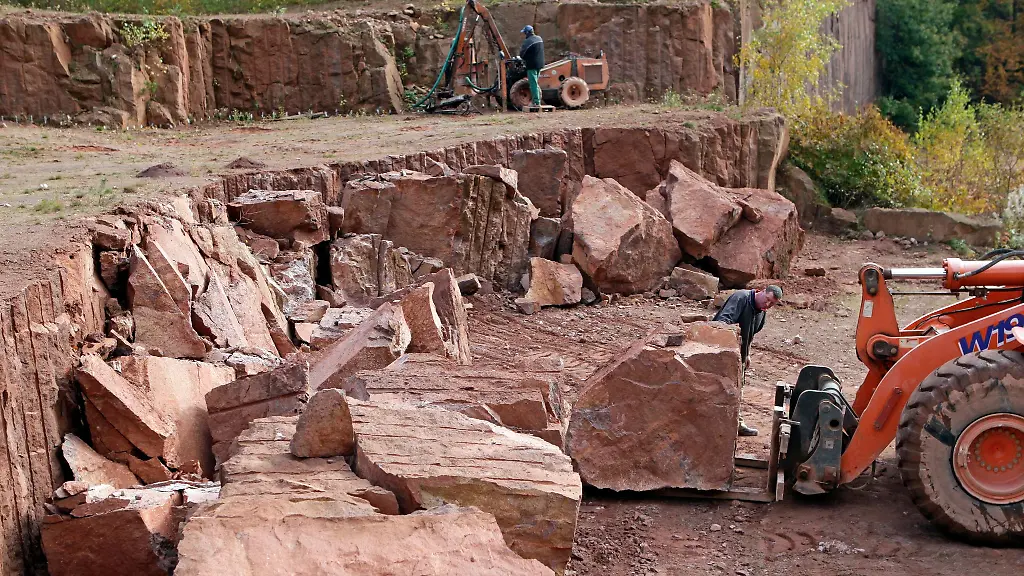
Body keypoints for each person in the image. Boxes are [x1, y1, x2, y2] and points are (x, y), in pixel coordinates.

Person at [712, 285, 783, 436]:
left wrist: (747, 354)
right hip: (722, 352)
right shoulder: (741, 298)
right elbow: (722, 323)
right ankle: (720, 425)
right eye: (767, 299)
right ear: (762, 291)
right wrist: (729, 353)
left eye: (772, 304)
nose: (767, 305)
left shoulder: (761, 313)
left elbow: (750, 335)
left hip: (739, 357)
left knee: (737, 390)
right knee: (720, 390)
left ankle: (736, 423)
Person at [519, 25, 545, 107]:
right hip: (540, 64)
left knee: (533, 84)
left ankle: (536, 102)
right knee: (535, 83)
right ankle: (536, 100)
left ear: (527, 33)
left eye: (524, 33)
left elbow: (522, 55)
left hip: (532, 65)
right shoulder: (539, 38)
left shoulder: (528, 41)